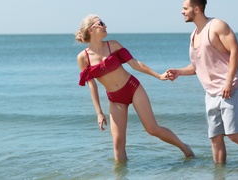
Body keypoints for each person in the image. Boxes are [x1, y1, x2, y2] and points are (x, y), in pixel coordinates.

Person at [166, 0, 238, 168]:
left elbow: (236, 51)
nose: (182, 11)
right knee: (215, 138)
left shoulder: (217, 25)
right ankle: (219, 175)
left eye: (185, 8)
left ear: (197, 9)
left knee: (234, 134)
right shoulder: (193, 34)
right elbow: (197, 66)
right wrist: (178, 72)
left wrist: (228, 81)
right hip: (210, 93)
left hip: (229, 89)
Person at [75, 14, 194, 162]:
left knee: (152, 129)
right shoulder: (83, 57)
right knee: (118, 142)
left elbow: (135, 64)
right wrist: (99, 112)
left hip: (132, 88)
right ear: (91, 30)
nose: (105, 26)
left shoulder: (113, 45)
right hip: (115, 99)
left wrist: (158, 76)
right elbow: (91, 84)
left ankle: (185, 148)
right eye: (101, 23)